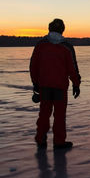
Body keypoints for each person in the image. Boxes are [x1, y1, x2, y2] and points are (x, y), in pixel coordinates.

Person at [30, 18, 81, 149]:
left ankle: (40, 139)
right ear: (62, 30)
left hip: (44, 86)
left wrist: (35, 84)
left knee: (44, 114)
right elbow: (73, 68)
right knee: (59, 116)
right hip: (60, 87)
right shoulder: (66, 47)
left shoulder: (41, 45)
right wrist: (76, 84)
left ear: (49, 29)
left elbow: (33, 66)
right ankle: (59, 142)